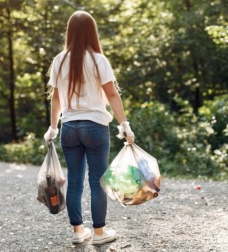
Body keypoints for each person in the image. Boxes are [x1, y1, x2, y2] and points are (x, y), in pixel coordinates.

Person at [43, 10, 134, 245]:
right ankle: (100, 234)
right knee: (97, 182)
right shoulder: (98, 60)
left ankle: (78, 232)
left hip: (69, 127)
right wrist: (124, 124)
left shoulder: (59, 60)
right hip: (95, 127)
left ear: (69, 32)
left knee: (74, 181)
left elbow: (55, 98)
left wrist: (53, 127)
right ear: (92, 32)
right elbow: (112, 94)